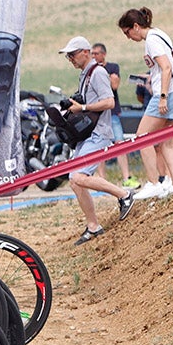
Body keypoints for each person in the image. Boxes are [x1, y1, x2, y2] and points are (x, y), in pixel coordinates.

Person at [57, 37, 135, 244]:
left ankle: (124, 194)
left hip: (98, 133)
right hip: (87, 134)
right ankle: (93, 226)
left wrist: (82, 108)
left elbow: (109, 102)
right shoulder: (86, 74)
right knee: (75, 182)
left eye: (72, 55)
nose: (70, 59)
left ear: (85, 52)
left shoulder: (98, 72)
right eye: (68, 56)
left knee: (79, 177)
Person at [119, 7, 173, 199]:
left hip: (166, 93)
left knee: (142, 137)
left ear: (135, 26)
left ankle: (153, 182)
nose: (128, 37)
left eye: (127, 32)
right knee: (169, 139)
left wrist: (163, 96)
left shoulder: (151, 40)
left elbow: (166, 67)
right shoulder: (160, 34)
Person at [91, 42, 135, 188]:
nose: (94, 56)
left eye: (96, 53)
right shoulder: (91, 70)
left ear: (103, 54)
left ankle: (126, 177)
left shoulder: (112, 67)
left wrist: (103, 74)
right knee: (99, 146)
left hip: (113, 111)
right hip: (98, 113)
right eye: (92, 54)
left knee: (119, 143)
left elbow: (114, 85)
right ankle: (102, 178)